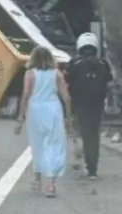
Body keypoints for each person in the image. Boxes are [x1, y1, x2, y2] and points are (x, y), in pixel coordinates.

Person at [14, 46, 73, 198]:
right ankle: (51, 184)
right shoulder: (57, 74)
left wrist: (20, 117)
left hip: (35, 110)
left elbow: (26, 94)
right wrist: (68, 117)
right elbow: (66, 96)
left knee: (37, 144)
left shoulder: (30, 74)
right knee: (54, 144)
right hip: (53, 108)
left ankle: (37, 177)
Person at [66, 32, 113, 180]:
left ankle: (77, 156)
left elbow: (66, 82)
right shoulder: (103, 64)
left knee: (78, 130)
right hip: (97, 104)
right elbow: (110, 83)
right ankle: (92, 168)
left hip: (79, 103)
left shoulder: (74, 63)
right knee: (93, 135)